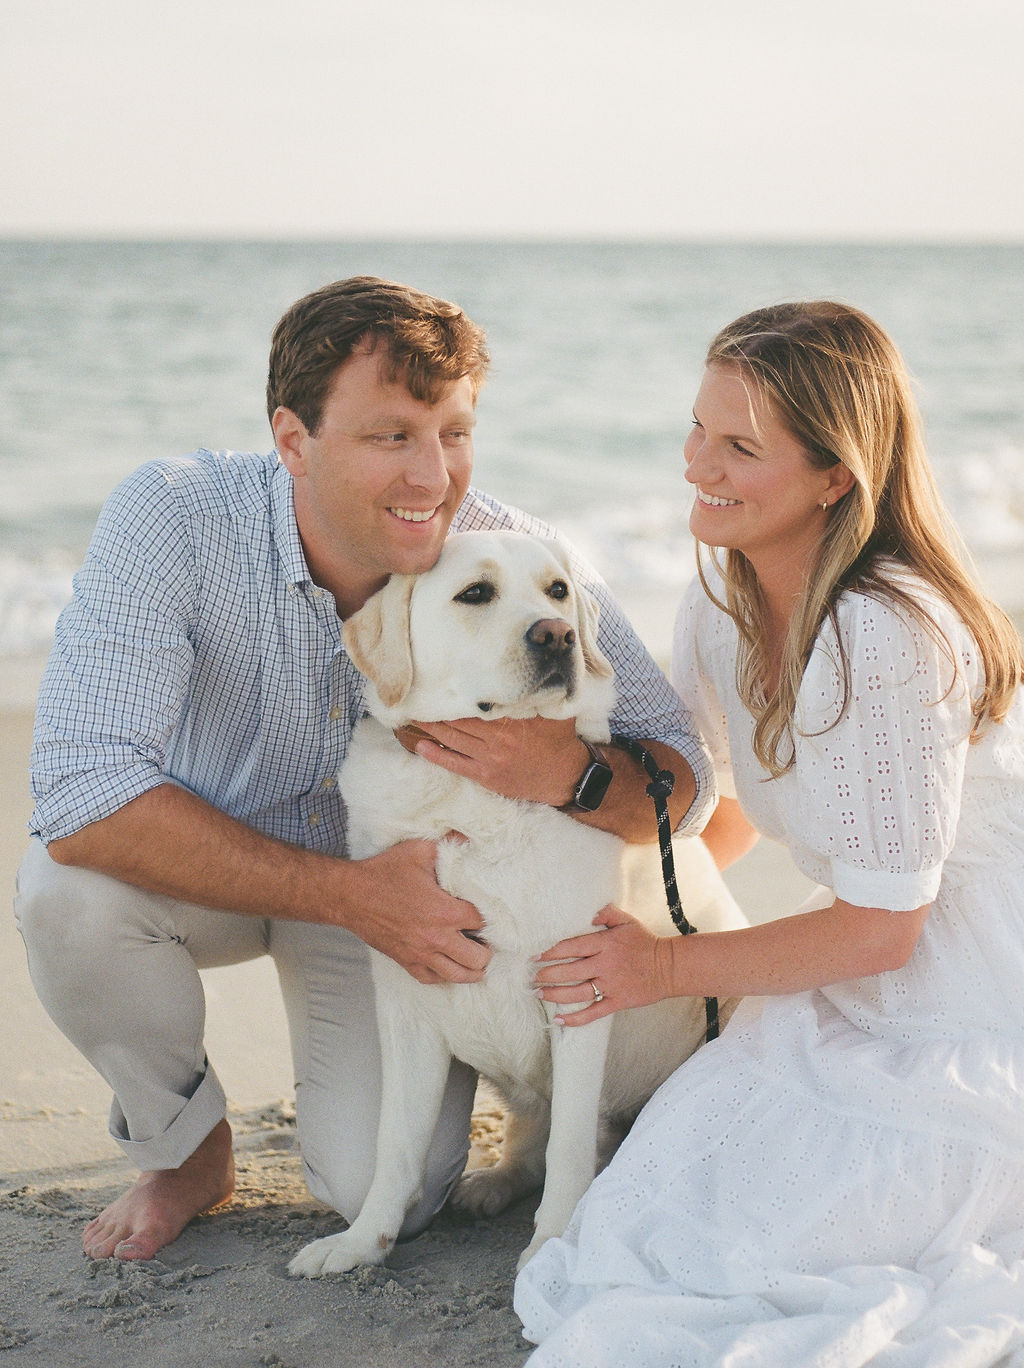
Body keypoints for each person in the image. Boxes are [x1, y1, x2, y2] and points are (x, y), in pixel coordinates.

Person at [14, 276, 715, 1265]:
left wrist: (576, 775)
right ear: (293, 440)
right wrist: (346, 894)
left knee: (385, 1190)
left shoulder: (506, 557)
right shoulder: (173, 518)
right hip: (209, 873)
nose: (433, 475)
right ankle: (183, 1150)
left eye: (455, 433)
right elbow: (85, 798)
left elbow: (691, 784)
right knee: (64, 895)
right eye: (393, 435)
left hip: (406, 922)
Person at [519, 301, 1024, 1366]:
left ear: (833, 475)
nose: (698, 464)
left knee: (766, 1253)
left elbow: (884, 933)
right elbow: (724, 804)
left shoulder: (884, 629)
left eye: (740, 447)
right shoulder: (720, 602)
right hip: (864, 946)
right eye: (698, 429)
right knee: (657, 1212)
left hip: (973, 979)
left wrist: (660, 967)